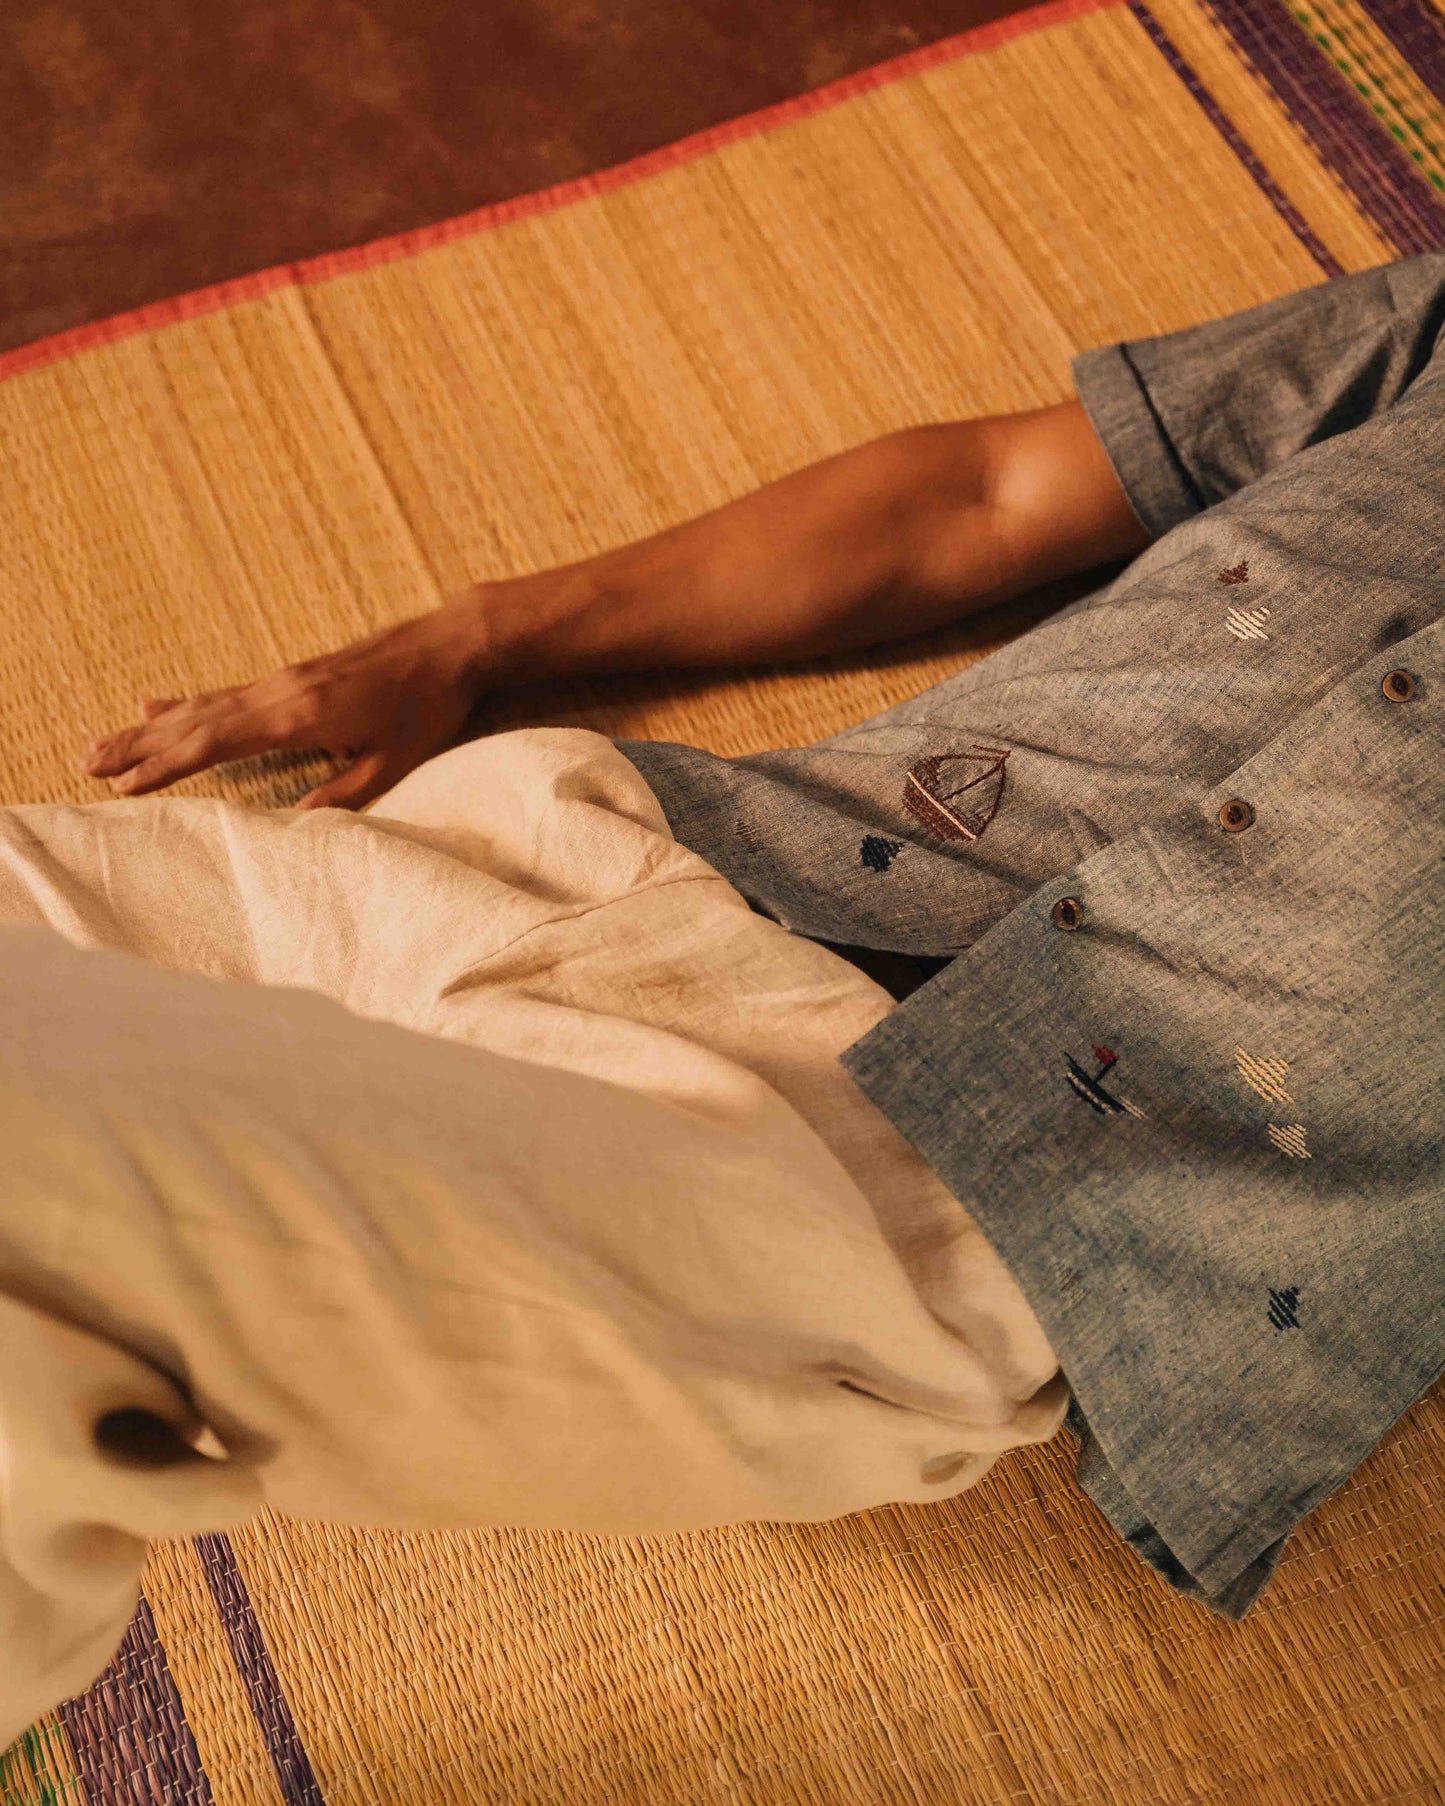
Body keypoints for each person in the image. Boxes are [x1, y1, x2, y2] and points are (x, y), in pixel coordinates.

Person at [3, 252, 1442, 1744]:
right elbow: (986, 493)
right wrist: (467, 642)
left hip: (948, 1185)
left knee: (80, 1227)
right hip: (612, 846)